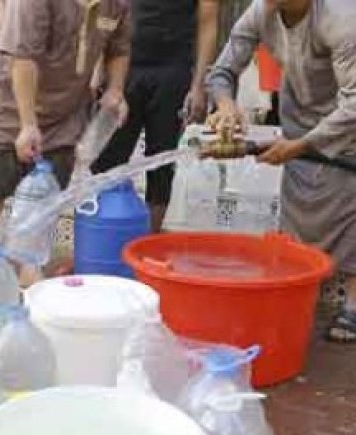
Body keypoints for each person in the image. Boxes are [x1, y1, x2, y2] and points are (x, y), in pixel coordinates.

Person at [207, 0, 356, 342]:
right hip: (299, 117)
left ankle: (353, 301)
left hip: (348, 127)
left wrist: (302, 145)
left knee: (351, 206)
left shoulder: (341, 18)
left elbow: (354, 103)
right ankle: (301, 291)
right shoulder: (262, 11)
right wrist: (227, 106)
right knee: (300, 210)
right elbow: (222, 71)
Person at [0, 0, 130, 276]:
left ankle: (30, 276)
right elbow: (24, 58)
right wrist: (28, 124)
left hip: (64, 115)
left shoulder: (117, 5)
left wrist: (115, 89)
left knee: (46, 198)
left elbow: (118, 49)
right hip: (9, 109)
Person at [93, 0, 221, 233]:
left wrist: (198, 85)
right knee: (106, 160)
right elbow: (105, 11)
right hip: (124, 65)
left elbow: (208, 22)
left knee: (162, 163)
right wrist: (99, 67)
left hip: (173, 69)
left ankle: (148, 242)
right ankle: (103, 236)